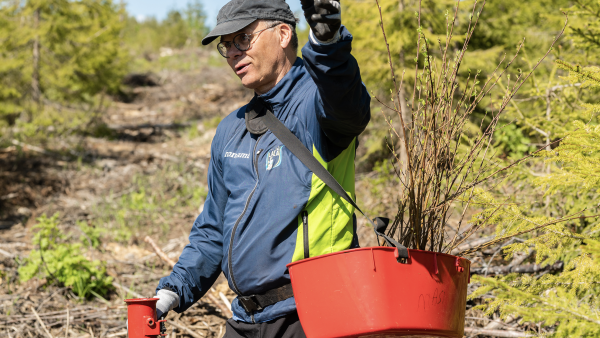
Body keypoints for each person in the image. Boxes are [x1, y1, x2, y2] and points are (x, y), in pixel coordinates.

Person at [154, 0, 370, 336]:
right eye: (227, 45)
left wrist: (328, 43)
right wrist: (173, 289)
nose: (233, 53)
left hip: (312, 315)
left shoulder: (316, 106)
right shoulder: (231, 129)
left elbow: (346, 105)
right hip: (245, 321)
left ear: (283, 33)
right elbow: (213, 228)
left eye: (243, 38)